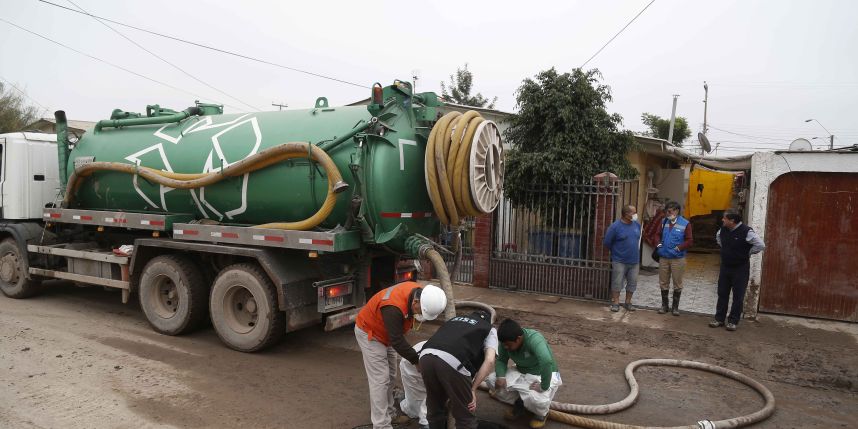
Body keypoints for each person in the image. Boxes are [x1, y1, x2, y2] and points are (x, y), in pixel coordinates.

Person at [354, 281, 447, 429]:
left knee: (391, 375)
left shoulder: (418, 293)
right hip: (370, 333)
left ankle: (390, 414)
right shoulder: (393, 307)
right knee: (380, 380)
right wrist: (416, 361)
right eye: (421, 311)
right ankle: (381, 425)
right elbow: (397, 341)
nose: (420, 315)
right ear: (416, 301)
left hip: (387, 334)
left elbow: (395, 337)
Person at [418, 310, 498, 429]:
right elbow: (490, 360)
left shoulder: (454, 320)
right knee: (465, 416)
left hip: (425, 356)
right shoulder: (489, 329)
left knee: (435, 407)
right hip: (454, 361)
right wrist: (473, 389)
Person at [486, 319, 561, 429]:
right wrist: (500, 376)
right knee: (492, 380)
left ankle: (541, 414)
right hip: (521, 371)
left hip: (544, 374)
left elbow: (546, 362)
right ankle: (519, 404)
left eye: (508, 345)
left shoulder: (534, 339)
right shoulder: (505, 342)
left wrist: (543, 386)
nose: (505, 347)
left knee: (536, 398)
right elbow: (501, 360)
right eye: (504, 345)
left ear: (519, 339)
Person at [709, 209, 765, 331]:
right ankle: (719, 319)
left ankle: (733, 321)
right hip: (725, 267)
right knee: (722, 293)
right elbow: (719, 239)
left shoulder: (746, 231)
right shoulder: (723, 230)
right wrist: (727, 250)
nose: (722, 220)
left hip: (740, 268)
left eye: (725, 218)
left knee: (738, 296)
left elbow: (760, 245)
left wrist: (746, 252)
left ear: (732, 220)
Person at [655, 201, 693, 316]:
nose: (667, 213)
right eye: (666, 211)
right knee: (663, 282)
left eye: (670, 211)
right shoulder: (663, 222)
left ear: (676, 211)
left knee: (677, 283)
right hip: (664, 257)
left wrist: (679, 248)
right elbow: (657, 235)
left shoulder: (685, 223)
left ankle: (675, 308)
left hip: (678, 258)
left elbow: (689, 240)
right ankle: (664, 306)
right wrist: (658, 245)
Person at [602, 205, 642, 312]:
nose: (635, 214)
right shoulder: (615, 227)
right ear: (626, 214)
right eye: (633, 212)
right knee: (617, 282)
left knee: (632, 282)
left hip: (634, 260)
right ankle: (616, 302)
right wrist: (617, 252)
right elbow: (607, 242)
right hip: (619, 260)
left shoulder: (637, 225)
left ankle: (628, 302)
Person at [398, 341, 429, 429]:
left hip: (430, 361)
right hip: (414, 363)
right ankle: (401, 396)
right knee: (414, 411)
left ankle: (404, 395)